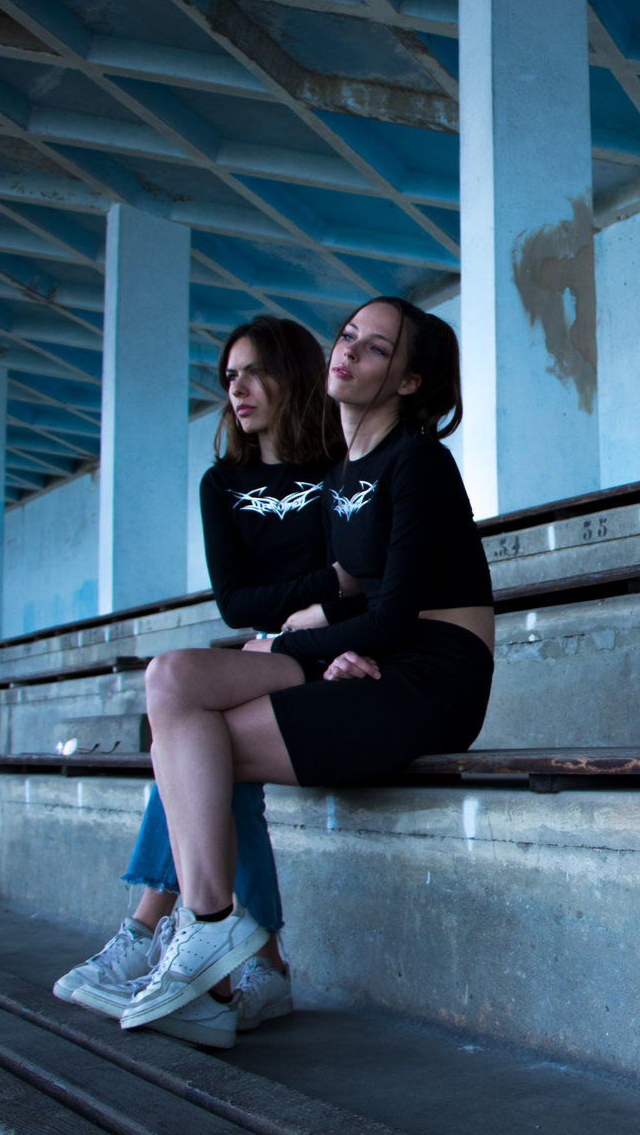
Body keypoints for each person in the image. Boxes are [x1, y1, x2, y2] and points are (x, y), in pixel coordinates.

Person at [112, 297, 494, 1040]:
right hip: (376, 659)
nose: (347, 350)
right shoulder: (344, 473)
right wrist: (328, 632)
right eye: (347, 335)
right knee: (172, 680)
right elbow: (362, 597)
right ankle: (211, 931)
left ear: (409, 382)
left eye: (375, 348)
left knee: (197, 745)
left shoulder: (419, 461)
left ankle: (206, 932)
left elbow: (396, 613)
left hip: (434, 680)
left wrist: (289, 645)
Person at [53, 315, 346, 1046]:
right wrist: (321, 589)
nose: (237, 389)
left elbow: (362, 582)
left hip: (324, 653)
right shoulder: (222, 483)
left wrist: (318, 605)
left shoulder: (339, 469)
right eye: (229, 377)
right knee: (203, 740)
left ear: (291, 375)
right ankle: (261, 965)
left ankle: (152, 929)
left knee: (188, 724)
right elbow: (237, 602)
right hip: (265, 649)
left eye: (253, 372)